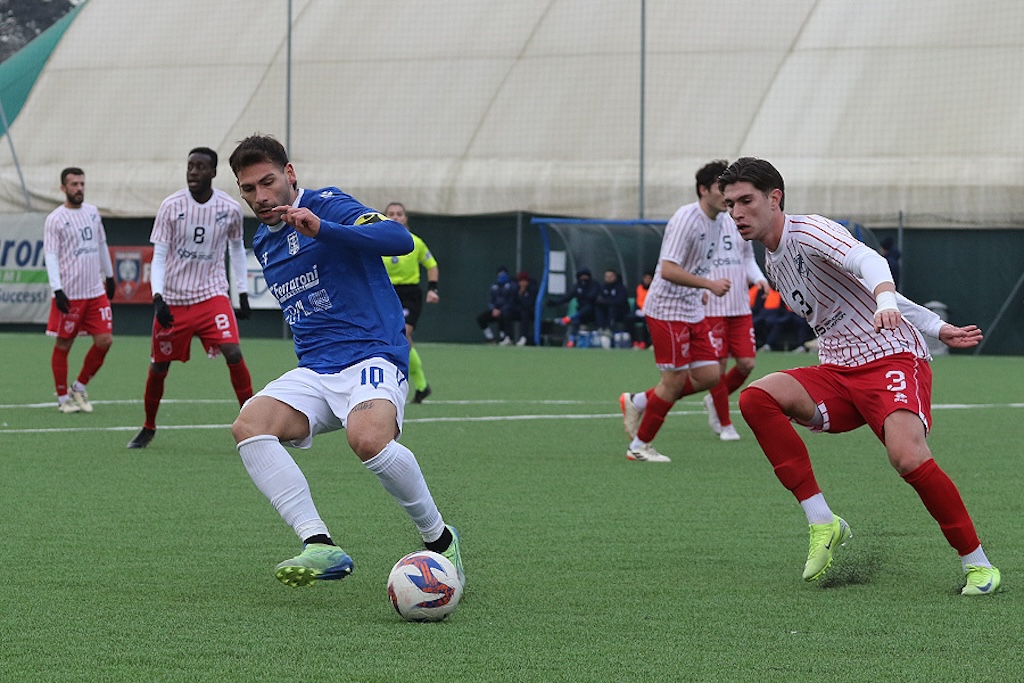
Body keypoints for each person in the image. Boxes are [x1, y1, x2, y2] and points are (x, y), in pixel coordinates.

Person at [720, 156, 999, 595]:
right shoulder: (774, 263)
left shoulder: (810, 230)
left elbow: (869, 263)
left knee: (907, 457)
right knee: (757, 398)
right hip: (836, 370)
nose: (736, 213)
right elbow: (858, 295)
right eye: (730, 203)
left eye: (745, 201)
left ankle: (977, 564)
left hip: (891, 356)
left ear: (774, 198)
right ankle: (823, 521)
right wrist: (935, 323)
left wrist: (895, 308)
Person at [227, 134, 463, 588]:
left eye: (268, 182)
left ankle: (439, 539)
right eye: (249, 189)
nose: (261, 196)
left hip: (373, 353)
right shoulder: (264, 242)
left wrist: (324, 229)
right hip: (317, 369)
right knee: (249, 426)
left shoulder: (329, 204)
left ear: (290, 174)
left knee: (367, 438)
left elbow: (399, 240)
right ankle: (319, 543)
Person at [127, 147, 254, 449]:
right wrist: (158, 297)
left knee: (233, 351)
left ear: (213, 172)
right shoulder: (171, 206)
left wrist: (243, 291)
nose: (193, 172)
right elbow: (158, 255)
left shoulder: (230, 208)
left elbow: (236, 249)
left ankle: (255, 421)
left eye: (200, 167)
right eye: (190, 166)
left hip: (212, 295)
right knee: (159, 365)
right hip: (173, 299)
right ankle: (148, 426)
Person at [617, 160, 732, 462]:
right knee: (673, 382)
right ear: (703, 190)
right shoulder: (686, 219)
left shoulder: (719, 219)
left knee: (709, 374)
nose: (727, 193)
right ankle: (639, 446)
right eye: (722, 186)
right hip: (668, 310)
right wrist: (707, 284)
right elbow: (667, 269)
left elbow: (697, 262)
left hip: (691, 307)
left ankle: (638, 401)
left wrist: (700, 290)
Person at [43, 167, 116, 414]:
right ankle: (63, 398)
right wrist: (58, 289)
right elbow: (51, 255)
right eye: (73, 184)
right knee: (64, 344)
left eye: (82, 184)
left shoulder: (93, 213)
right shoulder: (55, 219)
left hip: (95, 292)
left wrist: (110, 275)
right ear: (63, 188)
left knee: (105, 340)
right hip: (70, 294)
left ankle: (79, 385)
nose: (79, 188)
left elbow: (102, 243)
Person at [702, 204, 769, 442]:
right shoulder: (699, 223)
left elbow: (747, 257)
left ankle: (714, 399)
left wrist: (759, 278)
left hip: (739, 306)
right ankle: (725, 423)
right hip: (711, 307)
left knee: (746, 363)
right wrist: (699, 286)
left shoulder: (739, 221)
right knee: (716, 367)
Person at [382, 202, 439, 403]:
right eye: (391, 214)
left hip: (409, 294)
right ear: (384, 217)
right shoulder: (378, 242)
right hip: (387, 293)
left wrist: (433, 289)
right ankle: (422, 387)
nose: (395, 217)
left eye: (399, 214)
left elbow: (431, 266)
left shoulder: (415, 242)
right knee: (390, 340)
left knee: (404, 335)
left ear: (406, 218)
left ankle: (408, 383)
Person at [547, 268, 600, 346]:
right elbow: (567, 297)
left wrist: (583, 295)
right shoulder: (577, 286)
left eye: (586, 276)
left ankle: (568, 319)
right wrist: (554, 303)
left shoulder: (595, 284)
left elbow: (592, 297)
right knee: (576, 321)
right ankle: (571, 341)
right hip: (581, 313)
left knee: (588, 307)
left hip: (594, 313)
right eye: (582, 276)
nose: (584, 278)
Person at [476, 266, 516, 344]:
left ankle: (504, 337)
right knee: (481, 318)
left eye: (503, 274)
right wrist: (493, 309)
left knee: (503, 315)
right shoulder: (494, 286)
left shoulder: (512, 286)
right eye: (500, 274)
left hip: (506, 310)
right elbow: (490, 300)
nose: (501, 276)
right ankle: (490, 338)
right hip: (495, 310)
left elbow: (511, 301)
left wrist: (501, 310)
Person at [626, 270, 653, 348]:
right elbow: (638, 300)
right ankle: (635, 341)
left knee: (646, 321)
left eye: (649, 278)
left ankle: (645, 342)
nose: (647, 280)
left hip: (649, 312)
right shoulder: (639, 288)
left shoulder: (654, 289)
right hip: (639, 311)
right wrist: (637, 310)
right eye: (645, 278)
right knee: (629, 319)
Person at [512, 270, 539, 346]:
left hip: (531, 312)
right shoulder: (516, 289)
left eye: (524, 281)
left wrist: (521, 295)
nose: (522, 283)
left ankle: (524, 337)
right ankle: (507, 337)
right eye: (520, 281)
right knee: (506, 312)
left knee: (525, 313)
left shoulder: (533, 289)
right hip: (520, 310)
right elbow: (514, 302)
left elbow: (528, 304)